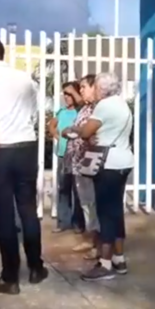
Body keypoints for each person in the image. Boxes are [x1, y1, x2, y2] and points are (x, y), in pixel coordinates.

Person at [0, 35, 48, 294]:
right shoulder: (25, 79)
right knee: (28, 210)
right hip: (26, 146)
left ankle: (10, 277)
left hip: (0, 150)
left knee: (4, 215)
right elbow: (35, 112)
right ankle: (36, 267)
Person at [67, 72, 133, 281]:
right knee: (116, 212)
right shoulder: (122, 104)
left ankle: (105, 263)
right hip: (123, 160)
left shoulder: (103, 106)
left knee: (105, 213)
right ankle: (119, 259)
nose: (93, 90)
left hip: (107, 164)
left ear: (102, 89)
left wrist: (74, 129)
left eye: (94, 86)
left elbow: (86, 132)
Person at [63, 75, 100, 258]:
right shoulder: (85, 108)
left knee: (93, 202)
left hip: (90, 160)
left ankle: (98, 243)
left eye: (84, 87)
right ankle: (90, 237)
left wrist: (75, 130)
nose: (81, 90)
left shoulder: (98, 108)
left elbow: (88, 133)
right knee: (86, 202)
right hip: (78, 161)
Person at [48, 81, 84, 233]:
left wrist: (75, 92)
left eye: (70, 94)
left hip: (77, 155)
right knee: (63, 188)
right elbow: (52, 125)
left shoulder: (81, 111)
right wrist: (57, 136)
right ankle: (63, 222)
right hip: (63, 155)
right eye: (65, 94)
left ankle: (78, 223)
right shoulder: (61, 112)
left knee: (78, 190)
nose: (67, 97)